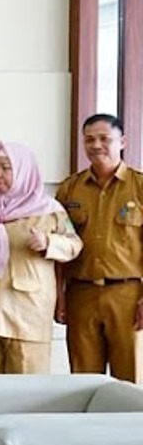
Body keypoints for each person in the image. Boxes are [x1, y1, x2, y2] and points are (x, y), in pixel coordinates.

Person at [0, 142, 82, 374]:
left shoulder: (49, 210)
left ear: (24, 170)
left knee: (29, 388)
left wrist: (49, 243)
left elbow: (74, 244)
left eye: (6, 168)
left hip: (27, 313)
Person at [56, 114, 143, 382]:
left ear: (122, 141)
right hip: (80, 295)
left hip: (127, 296)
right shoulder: (70, 189)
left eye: (105, 139)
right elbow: (59, 247)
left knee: (129, 380)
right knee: (83, 380)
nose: (96, 145)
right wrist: (59, 295)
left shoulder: (139, 186)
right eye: (89, 140)